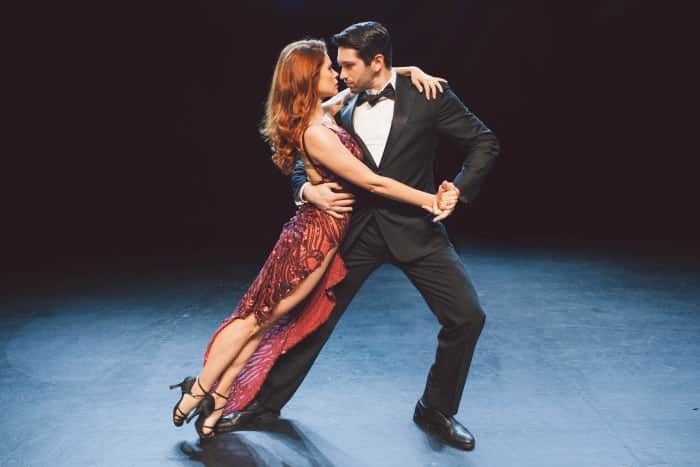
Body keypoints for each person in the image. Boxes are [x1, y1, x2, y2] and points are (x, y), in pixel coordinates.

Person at [216, 21, 500, 451]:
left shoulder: (428, 96)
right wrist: (306, 188)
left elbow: (484, 141)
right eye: (338, 65)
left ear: (378, 62)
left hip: (416, 231)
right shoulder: (338, 105)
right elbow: (303, 157)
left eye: (348, 65)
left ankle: (436, 408)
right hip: (354, 230)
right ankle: (263, 405)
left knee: (467, 317)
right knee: (312, 319)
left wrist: (458, 190)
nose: (340, 73)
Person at [169, 38, 455, 440]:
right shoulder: (317, 133)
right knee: (254, 319)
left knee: (261, 322)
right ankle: (196, 391)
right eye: (326, 69)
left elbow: (370, 81)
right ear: (307, 80)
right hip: (312, 240)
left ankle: (215, 407)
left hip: (320, 235)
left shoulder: (323, 113)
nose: (336, 74)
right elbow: (373, 182)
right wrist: (431, 199)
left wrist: (409, 72)